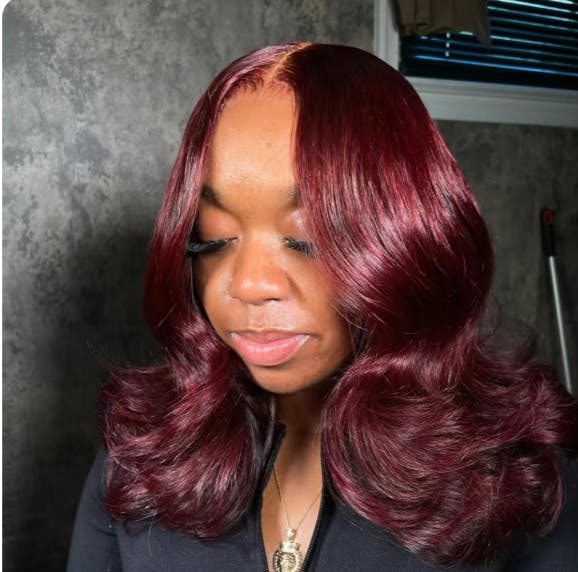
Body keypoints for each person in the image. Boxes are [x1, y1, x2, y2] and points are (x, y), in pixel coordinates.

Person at [67, 42, 578, 572]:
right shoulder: (141, 459)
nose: (248, 284)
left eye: (306, 238)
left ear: (402, 240)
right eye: (214, 238)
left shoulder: (517, 481)